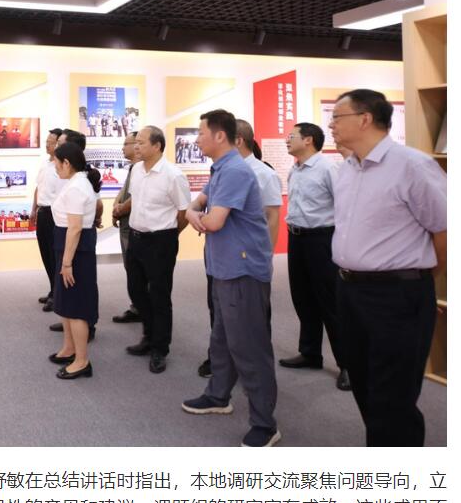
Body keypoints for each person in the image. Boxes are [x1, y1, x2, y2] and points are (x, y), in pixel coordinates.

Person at [330, 89, 446, 446]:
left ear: (365, 119)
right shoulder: (347, 169)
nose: (331, 125)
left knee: (392, 397)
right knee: (364, 384)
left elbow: (445, 230)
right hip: (349, 291)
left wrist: (421, 279)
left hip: (397, 295)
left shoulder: (412, 165)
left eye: (337, 117)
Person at [181, 109, 279, 447]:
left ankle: (265, 424)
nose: (197, 139)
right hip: (223, 267)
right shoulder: (220, 168)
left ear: (219, 135)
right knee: (221, 339)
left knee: (249, 347)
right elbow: (196, 205)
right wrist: (194, 212)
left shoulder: (235, 170)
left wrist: (194, 215)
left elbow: (213, 221)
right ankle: (218, 395)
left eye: (201, 133)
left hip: (242, 271)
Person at [279, 122, 349, 391]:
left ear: (308, 140)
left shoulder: (328, 168)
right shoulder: (295, 169)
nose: (287, 140)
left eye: (292, 136)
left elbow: (344, 206)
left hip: (322, 239)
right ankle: (310, 353)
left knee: (330, 302)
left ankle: (347, 365)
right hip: (296, 238)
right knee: (302, 297)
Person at [125, 125, 190, 373]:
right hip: (136, 238)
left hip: (160, 241)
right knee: (136, 290)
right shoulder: (137, 170)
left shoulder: (173, 175)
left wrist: (170, 235)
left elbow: (184, 211)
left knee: (160, 295)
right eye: (136, 142)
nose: (136, 146)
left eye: (141, 142)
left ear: (157, 146)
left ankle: (160, 348)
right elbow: (136, 200)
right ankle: (148, 335)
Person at [48, 141, 101, 379]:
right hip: (68, 247)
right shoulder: (75, 183)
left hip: (75, 251)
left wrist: (67, 262)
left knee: (76, 306)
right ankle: (70, 349)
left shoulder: (77, 187)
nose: (55, 167)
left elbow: (75, 227)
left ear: (67, 163)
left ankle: (82, 361)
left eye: (57, 163)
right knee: (67, 303)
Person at [30, 129, 63, 311]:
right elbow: (38, 188)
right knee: (45, 254)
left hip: (54, 214)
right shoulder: (45, 164)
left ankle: (57, 294)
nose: (47, 144)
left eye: (51, 141)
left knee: (54, 255)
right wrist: (33, 209)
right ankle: (53, 290)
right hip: (42, 212)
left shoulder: (61, 167)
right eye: (47, 141)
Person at [110, 131, 142, 324]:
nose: (123, 147)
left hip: (133, 226)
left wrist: (120, 209)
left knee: (136, 270)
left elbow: (136, 197)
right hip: (125, 223)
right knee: (130, 268)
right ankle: (136, 306)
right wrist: (116, 207)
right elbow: (124, 192)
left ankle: (140, 308)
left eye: (126, 143)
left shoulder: (141, 169)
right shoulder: (133, 168)